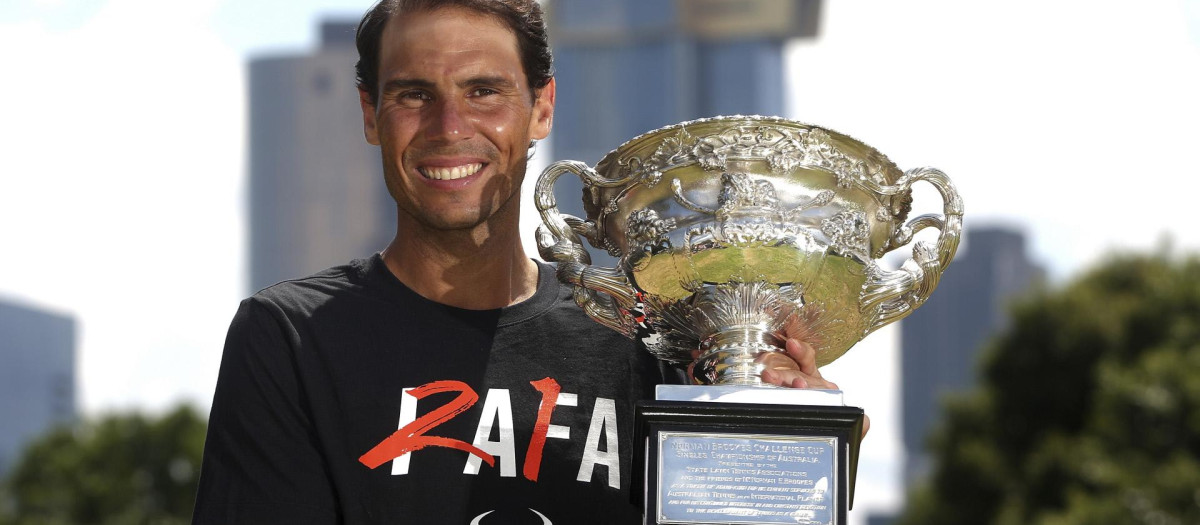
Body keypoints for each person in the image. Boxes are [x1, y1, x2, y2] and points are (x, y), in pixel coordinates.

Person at [192, 1, 847, 523]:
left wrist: (797, 442)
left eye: (484, 91)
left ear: (542, 107)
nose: (449, 126)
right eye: (414, 94)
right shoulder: (292, 339)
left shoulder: (647, 338)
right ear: (370, 113)